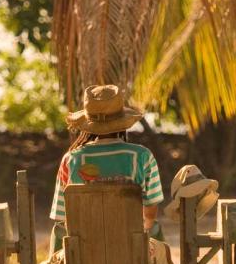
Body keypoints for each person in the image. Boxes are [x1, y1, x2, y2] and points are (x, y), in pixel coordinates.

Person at [49, 84, 165, 253]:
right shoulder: (143, 156)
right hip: (131, 246)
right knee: (154, 227)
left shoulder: (71, 159)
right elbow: (150, 212)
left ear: (88, 124)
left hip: (84, 249)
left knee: (58, 230)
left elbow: (61, 217)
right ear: (122, 122)